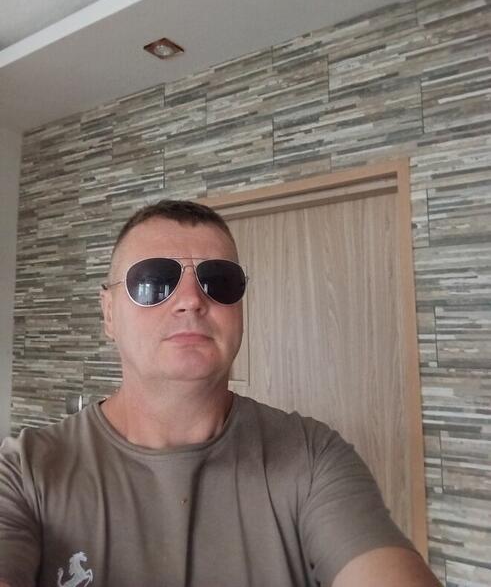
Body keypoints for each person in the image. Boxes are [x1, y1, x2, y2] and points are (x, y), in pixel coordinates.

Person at [0, 199, 441, 587]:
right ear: (109, 312)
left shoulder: (314, 459)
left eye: (220, 281)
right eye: (154, 280)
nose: (191, 299)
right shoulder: (24, 472)